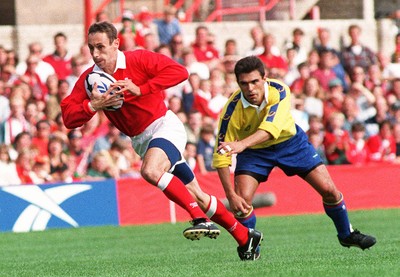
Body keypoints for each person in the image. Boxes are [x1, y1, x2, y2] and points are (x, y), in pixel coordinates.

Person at [61, 21, 262, 261]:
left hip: (165, 126)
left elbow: (180, 72)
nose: (95, 54)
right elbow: (68, 117)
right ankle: (245, 237)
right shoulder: (90, 79)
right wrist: (94, 105)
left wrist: (141, 88)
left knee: (151, 170)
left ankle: (199, 219)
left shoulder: (138, 59)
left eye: (101, 47)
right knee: (197, 194)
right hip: (141, 141)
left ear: (116, 44)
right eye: (91, 48)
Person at [212, 56, 376, 254]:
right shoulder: (231, 111)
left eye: (255, 81)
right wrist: (230, 195)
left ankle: (346, 235)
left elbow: (270, 128)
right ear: (238, 84)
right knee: (241, 201)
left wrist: (241, 144)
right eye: (244, 84)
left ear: (264, 78)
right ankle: (249, 246)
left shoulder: (279, 90)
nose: (250, 88)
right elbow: (221, 155)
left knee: (330, 191)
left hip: (290, 144)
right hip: (255, 152)